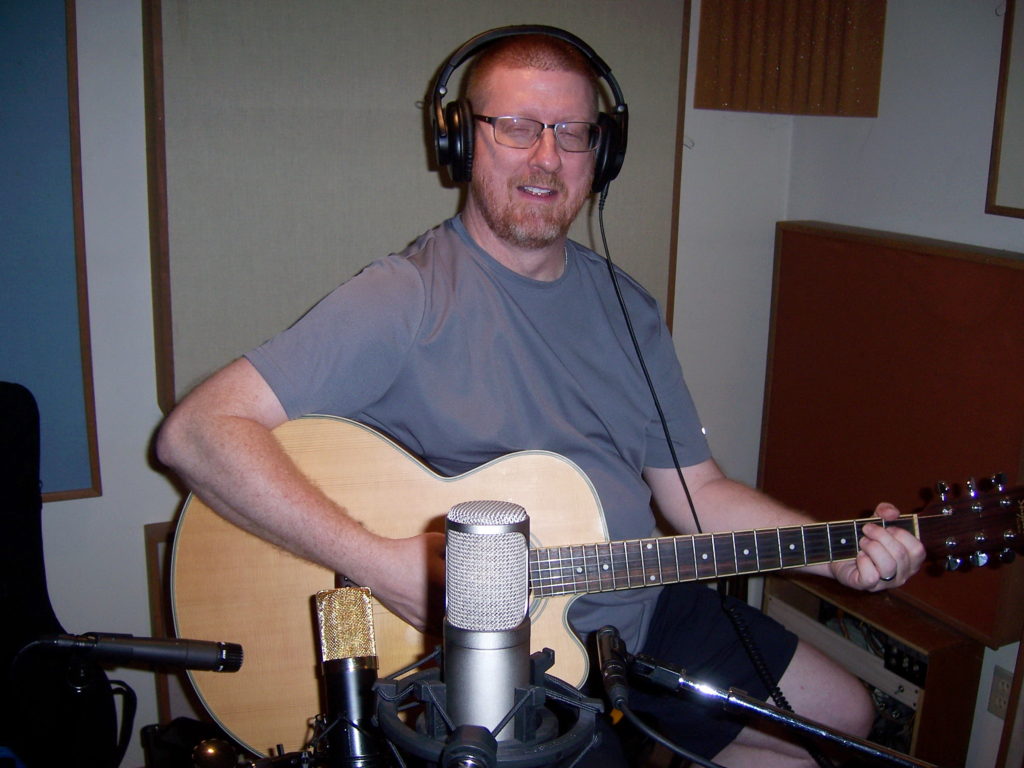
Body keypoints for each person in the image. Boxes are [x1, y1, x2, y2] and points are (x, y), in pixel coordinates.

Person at [156, 28, 926, 767]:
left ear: (604, 153)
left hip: (638, 603)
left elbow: (699, 494)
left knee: (843, 717)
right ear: (461, 142)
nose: (547, 158)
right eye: (517, 127)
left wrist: (840, 552)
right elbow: (197, 433)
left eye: (573, 132)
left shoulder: (629, 306)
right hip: (500, 659)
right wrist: (387, 565)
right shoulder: (406, 297)